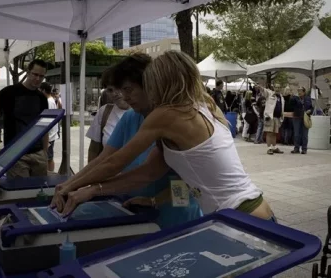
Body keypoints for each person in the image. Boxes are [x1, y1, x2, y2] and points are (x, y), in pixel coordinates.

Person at [52, 51, 274, 222]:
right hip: (255, 208)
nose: (125, 96)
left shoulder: (166, 115)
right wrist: (93, 189)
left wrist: (68, 187)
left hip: (238, 214)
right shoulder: (203, 104)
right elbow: (149, 172)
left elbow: (114, 162)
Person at [52, 53, 202, 229]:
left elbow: (170, 178)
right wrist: (69, 185)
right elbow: (105, 159)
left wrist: (156, 201)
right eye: (120, 90)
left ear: (151, 85)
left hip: (173, 215)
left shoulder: (173, 119)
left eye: (129, 89)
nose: (124, 96)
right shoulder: (131, 117)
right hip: (133, 210)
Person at [86, 68, 130, 162]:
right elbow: (94, 149)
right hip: (108, 174)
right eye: (110, 90)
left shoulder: (142, 112)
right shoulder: (104, 112)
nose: (115, 93)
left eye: (118, 88)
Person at [258, 84, 284, 155]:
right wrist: (261, 88)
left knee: (275, 133)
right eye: (276, 87)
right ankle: (269, 148)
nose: (277, 89)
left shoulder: (281, 97)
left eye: (279, 87)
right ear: (274, 88)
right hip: (270, 117)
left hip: (277, 118)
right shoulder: (270, 94)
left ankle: (274, 147)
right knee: (269, 133)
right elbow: (264, 91)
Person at [40, 82, 59, 172]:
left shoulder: (48, 101)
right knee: (49, 157)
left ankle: (50, 173)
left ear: (43, 90)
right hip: (51, 133)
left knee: (48, 157)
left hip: (49, 134)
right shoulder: (51, 100)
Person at [290, 87, 313, 154]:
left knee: (305, 134)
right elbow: (291, 104)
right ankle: (296, 148)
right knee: (297, 134)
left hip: (305, 118)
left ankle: (304, 149)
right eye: (298, 90)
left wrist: (310, 111)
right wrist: (292, 97)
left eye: (300, 91)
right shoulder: (295, 98)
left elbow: (312, 108)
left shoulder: (308, 98)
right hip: (297, 117)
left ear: (304, 92)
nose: (299, 92)